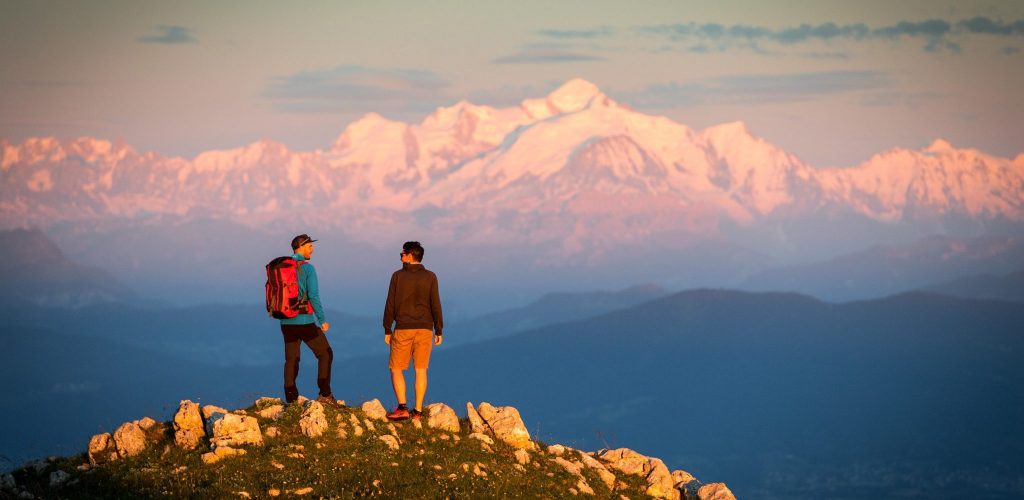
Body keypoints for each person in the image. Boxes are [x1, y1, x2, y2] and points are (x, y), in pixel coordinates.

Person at [382, 241, 444, 421]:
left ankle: (402, 408)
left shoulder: (398, 276)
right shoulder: (431, 276)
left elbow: (390, 304)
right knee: (421, 369)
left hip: (403, 327)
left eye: (402, 254)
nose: (400, 256)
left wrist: (387, 327)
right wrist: (438, 329)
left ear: (410, 255)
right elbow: (436, 304)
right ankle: (417, 412)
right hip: (425, 328)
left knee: (396, 368)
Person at [279, 234, 340, 407]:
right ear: (301, 246)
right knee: (325, 353)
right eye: (309, 246)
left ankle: (291, 398)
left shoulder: (282, 267)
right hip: (304, 320)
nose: (312, 249)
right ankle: (325, 394)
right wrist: (322, 320)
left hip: (285, 321)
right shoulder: (307, 268)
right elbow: (313, 295)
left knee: (292, 359)